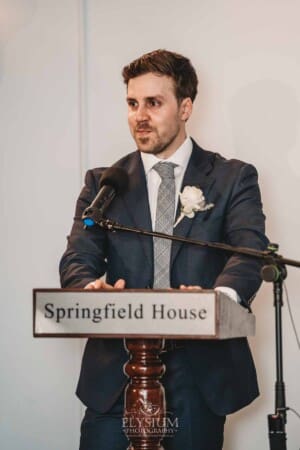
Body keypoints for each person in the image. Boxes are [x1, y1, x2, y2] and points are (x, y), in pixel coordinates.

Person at [59, 49, 268, 450]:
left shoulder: (232, 178)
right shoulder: (104, 184)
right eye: (132, 103)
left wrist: (216, 301)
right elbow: (78, 257)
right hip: (115, 372)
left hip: (198, 371)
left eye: (154, 103)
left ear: (185, 107)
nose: (140, 115)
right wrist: (88, 289)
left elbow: (250, 251)